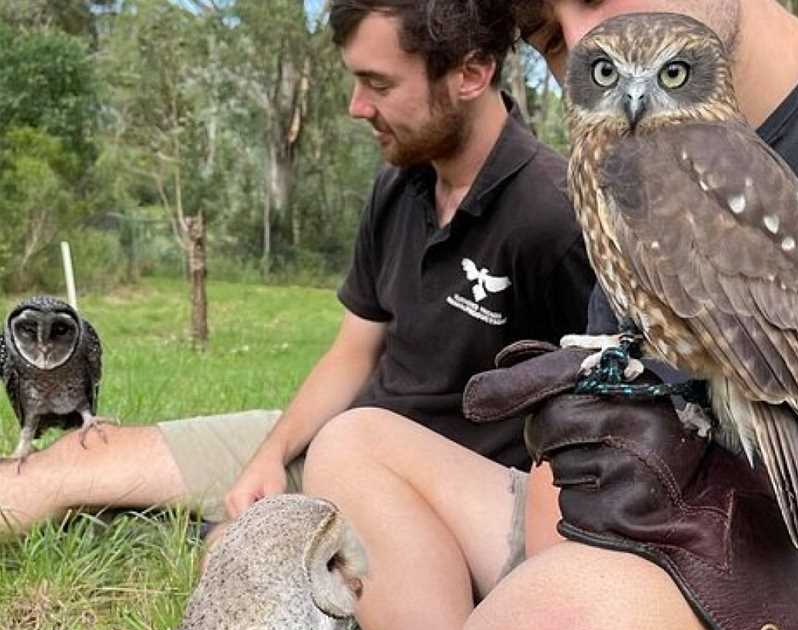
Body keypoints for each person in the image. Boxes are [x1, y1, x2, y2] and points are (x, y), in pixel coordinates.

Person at [302, 1, 798, 630]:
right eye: (550, 40)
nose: (582, 37)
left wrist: (672, 507)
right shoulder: (613, 156)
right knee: (353, 444)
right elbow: (568, 479)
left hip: (796, 560)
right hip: (637, 524)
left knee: (563, 611)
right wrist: (588, 469)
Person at [0, 0, 593, 590]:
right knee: (79, 462)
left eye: (377, 84)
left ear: (470, 73)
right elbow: (354, 352)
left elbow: (580, 428)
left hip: (418, 493)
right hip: (336, 434)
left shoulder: (553, 217)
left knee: (233, 559)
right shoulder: (400, 183)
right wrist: (272, 451)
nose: (356, 107)